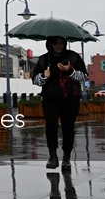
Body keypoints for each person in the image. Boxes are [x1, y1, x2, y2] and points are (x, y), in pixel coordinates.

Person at [32, 36, 88, 171]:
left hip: (71, 99)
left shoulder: (73, 57)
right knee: (51, 126)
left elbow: (84, 76)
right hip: (50, 99)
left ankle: (67, 158)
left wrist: (69, 71)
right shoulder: (43, 59)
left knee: (68, 128)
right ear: (50, 44)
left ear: (65, 44)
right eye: (55, 43)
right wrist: (44, 76)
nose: (58, 46)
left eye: (61, 43)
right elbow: (35, 80)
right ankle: (52, 156)